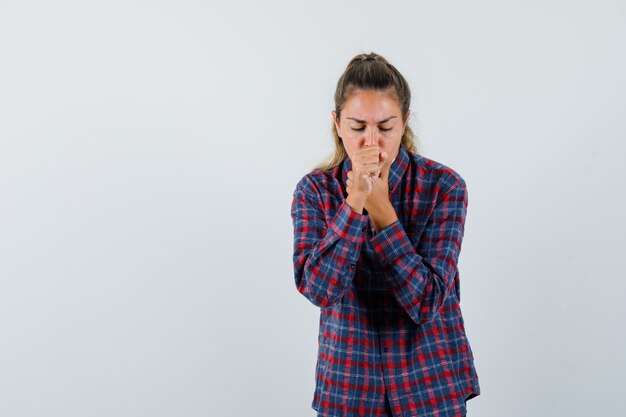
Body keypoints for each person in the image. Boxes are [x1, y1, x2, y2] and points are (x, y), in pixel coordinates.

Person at [290, 52, 481, 417]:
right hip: (349, 387)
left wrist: (383, 212)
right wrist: (355, 202)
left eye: (386, 127)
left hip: (430, 383)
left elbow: (427, 301)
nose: (372, 142)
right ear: (338, 124)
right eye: (358, 127)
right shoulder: (314, 191)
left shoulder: (443, 187)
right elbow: (319, 289)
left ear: (405, 122)